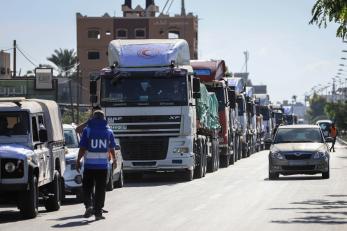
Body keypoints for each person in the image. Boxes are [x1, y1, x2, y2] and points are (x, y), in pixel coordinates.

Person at [76, 110, 117, 220]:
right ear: (104, 119)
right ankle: (98, 213)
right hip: (102, 167)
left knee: (87, 188)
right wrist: (114, 159)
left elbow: (83, 147)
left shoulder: (87, 130)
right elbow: (112, 147)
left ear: (93, 118)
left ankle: (89, 205)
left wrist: (78, 160)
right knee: (100, 189)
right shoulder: (109, 131)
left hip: (89, 166)